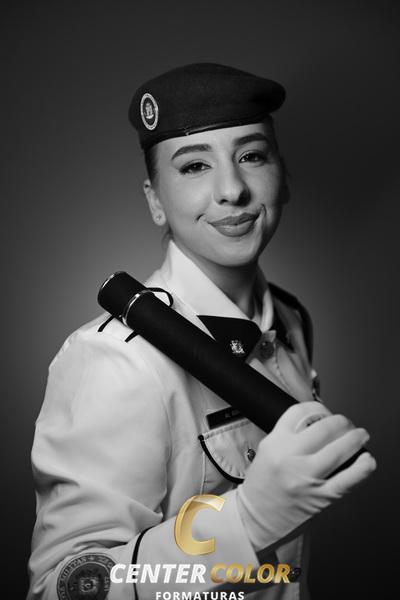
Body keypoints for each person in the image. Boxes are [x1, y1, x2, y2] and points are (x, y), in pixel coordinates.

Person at [27, 63, 376, 600]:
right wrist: (246, 522)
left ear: (284, 175)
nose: (232, 190)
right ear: (155, 201)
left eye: (251, 156)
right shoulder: (115, 361)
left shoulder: (288, 319)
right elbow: (61, 589)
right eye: (194, 166)